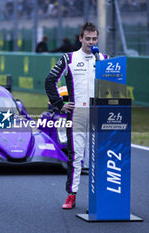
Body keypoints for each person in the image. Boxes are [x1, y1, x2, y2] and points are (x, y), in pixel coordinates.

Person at [44, 22, 108, 209]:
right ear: (80, 39)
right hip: (77, 114)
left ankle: (103, 197)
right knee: (76, 155)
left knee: (102, 156)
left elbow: (115, 86)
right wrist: (59, 104)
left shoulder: (104, 59)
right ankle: (72, 195)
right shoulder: (68, 58)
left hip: (100, 114)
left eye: (94, 39)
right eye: (87, 38)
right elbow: (50, 80)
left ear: (98, 39)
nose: (90, 42)